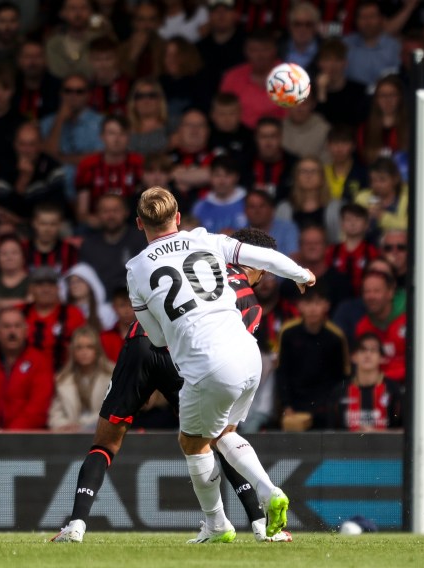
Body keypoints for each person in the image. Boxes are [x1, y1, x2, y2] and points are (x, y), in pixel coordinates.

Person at [52, 228, 294, 543]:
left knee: (106, 441)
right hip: (187, 356)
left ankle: (76, 526)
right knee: (220, 435)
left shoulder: (200, 256)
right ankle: (260, 526)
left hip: (142, 343)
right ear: (260, 265)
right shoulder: (247, 299)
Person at [124, 187, 314, 543]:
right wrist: (301, 274)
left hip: (208, 364)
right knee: (225, 432)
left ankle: (217, 525)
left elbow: (157, 338)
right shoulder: (206, 239)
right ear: (178, 218)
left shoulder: (136, 270)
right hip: (248, 352)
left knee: (192, 443)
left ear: (139, 224)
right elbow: (264, 257)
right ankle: (269, 490)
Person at [277, 284, 349, 431]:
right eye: (308, 303)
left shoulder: (335, 337)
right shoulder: (288, 333)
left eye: (317, 303)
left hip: (326, 406)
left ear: (327, 305)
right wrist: (287, 406)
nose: (313, 308)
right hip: (296, 406)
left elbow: (342, 376)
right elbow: (282, 372)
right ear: (299, 306)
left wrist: (334, 406)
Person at [0, 306, 54, 430]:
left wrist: (9, 435)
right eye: (6, 326)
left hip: (27, 440)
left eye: (17, 326)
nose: (12, 331)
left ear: (26, 331)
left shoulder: (40, 362)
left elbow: (38, 409)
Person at [74, 114, 145, 226]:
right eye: (111, 133)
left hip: (132, 224)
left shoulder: (139, 163)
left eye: (122, 133)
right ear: (102, 136)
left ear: (129, 137)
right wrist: (96, 222)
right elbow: (82, 213)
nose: (116, 139)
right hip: (97, 225)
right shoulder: (88, 165)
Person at [48, 325, 114, 432]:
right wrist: (65, 425)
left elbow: (111, 411)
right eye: (79, 348)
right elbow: (55, 414)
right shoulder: (63, 379)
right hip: (70, 438)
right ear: (73, 351)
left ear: (97, 350)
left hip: (103, 435)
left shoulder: (112, 375)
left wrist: (81, 425)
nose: (84, 352)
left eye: (89, 347)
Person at [332, 332, 402, 431]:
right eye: (363, 350)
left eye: (373, 350)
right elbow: (330, 433)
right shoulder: (340, 391)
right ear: (354, 357)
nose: (368, 354)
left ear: (382, 358)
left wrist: (375, 433)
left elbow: (406, 432)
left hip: (385, 446)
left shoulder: (394, 390)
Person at [24, 266, 87, 372]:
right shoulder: (19, 312)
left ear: (58, 288)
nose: (46, 290)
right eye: (40, 285)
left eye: (51, 284)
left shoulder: (73, 314)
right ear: (31, 288)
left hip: (62, 375)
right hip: (25, 374)